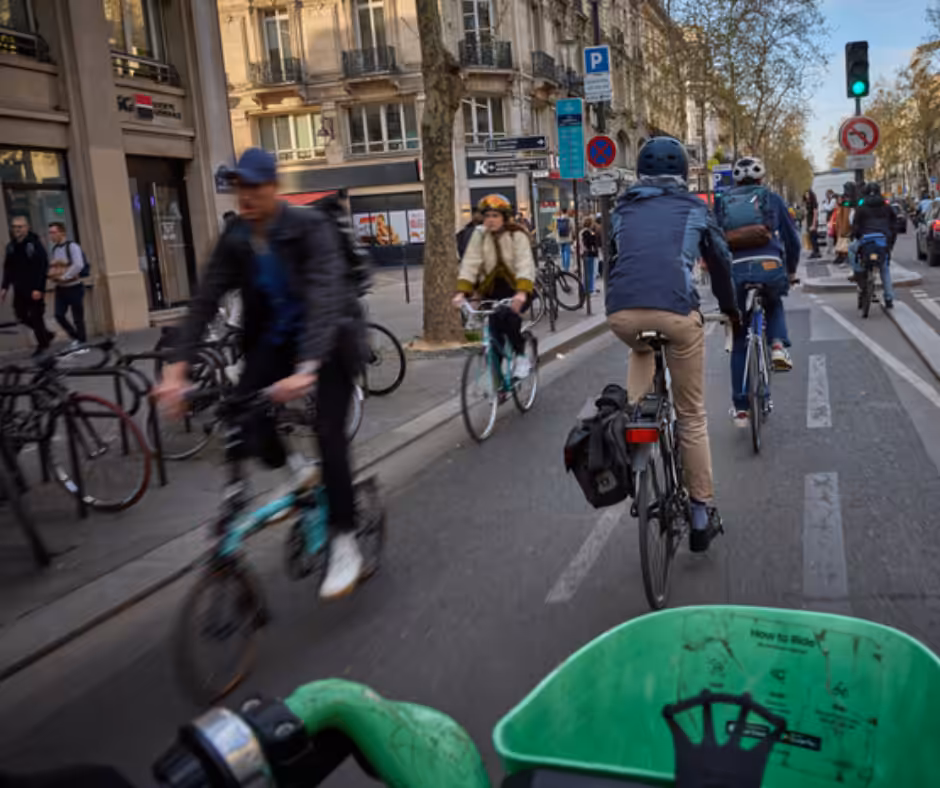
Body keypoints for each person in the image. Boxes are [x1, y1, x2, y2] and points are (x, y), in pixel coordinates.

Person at [154, 148, 368, 600]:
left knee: (329, 434)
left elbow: (326, 299)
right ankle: (294, 469)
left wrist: (308, 368)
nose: (246, 196)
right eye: (240, 187)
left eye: (255, 187)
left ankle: (345, 539)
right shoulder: (236, 237)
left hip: (330, 340)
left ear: (274, 188)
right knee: (241, 412)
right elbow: (204, 300)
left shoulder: (309, 229)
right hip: (274, 341)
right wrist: (176, 370)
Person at [606, 137, 738, 553]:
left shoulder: (622, 208)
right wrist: (732, 310)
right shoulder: (697, 208)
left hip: (622, 315)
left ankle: (635, 418)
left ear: (641, 173)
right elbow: (720, 264)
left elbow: (616, 260)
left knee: (641, 346)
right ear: (683, 172)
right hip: (677, 313)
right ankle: (701, 512)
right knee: (691, 415)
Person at [714, 156, 800, 426]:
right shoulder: (771, 198)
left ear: (736, 180)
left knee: (740, 338)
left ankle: (741, 408)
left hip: (735, 270)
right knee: (774, 300)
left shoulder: (722, 201)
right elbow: (792, 238)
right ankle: (776, 345)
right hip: (769, 263)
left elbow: (714, 240)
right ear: (761, 179)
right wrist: (791, 270)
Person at [453, 194, 535, 378]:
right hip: (491, 289)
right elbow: (470, 263)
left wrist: (521, 292)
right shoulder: (479, 235)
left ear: (504, 217)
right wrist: (462, 291)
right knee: (494, 332)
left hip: (517, 287)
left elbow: (524, 264)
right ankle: (496, 379)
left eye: (495, 216)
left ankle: (521, 357)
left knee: (510, 319)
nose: (490, 220)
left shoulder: (517, 235)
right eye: (487, 216)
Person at [2, 215, 52, 356]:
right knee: (21, 315)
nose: (16, 229)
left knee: (37, 317)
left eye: (20, 226)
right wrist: (4, 288)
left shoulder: (33, 243)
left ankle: (43, 344)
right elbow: (8, 269)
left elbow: (42, 265)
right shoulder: (11, 247)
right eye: (14, 227)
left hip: (34, 288)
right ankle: (46, 334)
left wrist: (39, 288)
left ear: (27, 227)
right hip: (20, 289)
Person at [850, 181, 897, 309]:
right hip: (882, 240)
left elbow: (856, 225)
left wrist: (855, 235)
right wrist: (890, 242)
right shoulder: (886, 206)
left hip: (866, 240)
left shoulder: (862, 205)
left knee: (851, 250)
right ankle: (888, 297)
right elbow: (894, 223)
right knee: (884, 268)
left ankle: (858, 273)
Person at [47, 222, 87, 348]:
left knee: (77, 317)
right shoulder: (55, 249)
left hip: (74, 287)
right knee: (58, 315)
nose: (51, 235)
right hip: (61, 288)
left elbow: (79, 265)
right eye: (50, 233)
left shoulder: (72, 247)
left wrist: (65, 277)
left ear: (62, 233)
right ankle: (75, 337)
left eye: (53, 232)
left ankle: (82, 342)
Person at [580, 216, 599, 294]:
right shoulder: (588, 232)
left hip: (584, 253)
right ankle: (590, 289)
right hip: (589, 254)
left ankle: (586, 288)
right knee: (590, 272)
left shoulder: (582, 232)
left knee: (586, 272)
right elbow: (590, 243)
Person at [803, 189, 821, 259]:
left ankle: (815, 251)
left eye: (807, 194)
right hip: (809, 221)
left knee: (813, 237)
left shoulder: (813, 203)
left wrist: (813, 224)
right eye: (806, 194)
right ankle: (816, 251)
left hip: (812, 221)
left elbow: (815, 213)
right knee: (812, 237)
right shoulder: (808, 203)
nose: (806, 196)